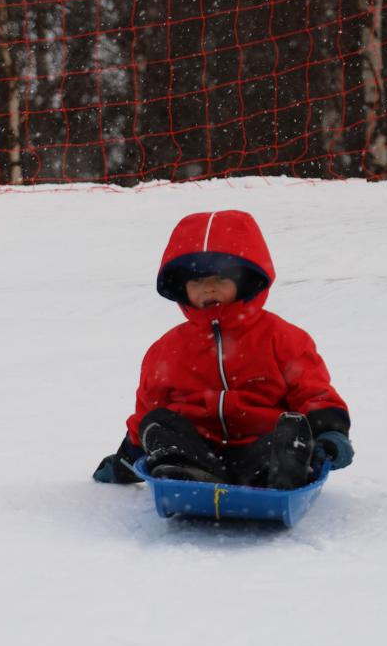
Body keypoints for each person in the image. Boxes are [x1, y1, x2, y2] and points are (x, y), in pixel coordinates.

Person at [93, 209, 353, 490]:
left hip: (262, 449)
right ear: (181, 287)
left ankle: (281, 474)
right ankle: (187, 476)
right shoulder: (166, 350)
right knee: (158, 423)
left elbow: (313, 392)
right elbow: (148, 411)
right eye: (196, 281)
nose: (208, 289)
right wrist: (127, 459)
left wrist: (331, 434)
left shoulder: (283, 338)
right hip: (196, 452)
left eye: (220, 277)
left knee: (291, 431)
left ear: (245, 281)